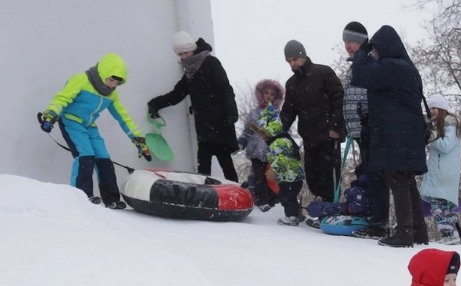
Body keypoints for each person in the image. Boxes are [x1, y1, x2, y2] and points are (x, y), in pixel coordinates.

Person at [350, 25, 430, 247]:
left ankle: (404, 233)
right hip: (407, 134)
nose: (374, 54)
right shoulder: (408, 67)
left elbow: (360, 75)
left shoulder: (393, 66)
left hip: (397, 135)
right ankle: (418, 231)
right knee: (406, 181)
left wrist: (361, 53)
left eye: (376, 50)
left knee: (397, 178)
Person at [39, 53, 150, 208]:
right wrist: (51, 114)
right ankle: (81, 195)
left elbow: (123, 117)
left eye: (117, 83)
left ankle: (112, 199)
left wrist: (138, 139)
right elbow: (62, 99)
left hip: (89, 126)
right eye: (111, 80)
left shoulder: (111, 95)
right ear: (102, 73)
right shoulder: (80, 80)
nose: (112, 85)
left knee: (104, 159)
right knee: (85, 156)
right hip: (71, 122)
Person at [148, 32, 239, 182]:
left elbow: (225, 88)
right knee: (203, 165)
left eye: (187, 52)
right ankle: (204, 195)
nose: (185, 56)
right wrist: (155, 104)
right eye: (181, 54)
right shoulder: (190, 73)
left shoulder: (211, 62)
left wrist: (231, 113)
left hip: (221, 122)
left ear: (193, 49)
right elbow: (177, 94)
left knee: (226, 163)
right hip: (204, 126)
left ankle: (237, 193)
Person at [342, 21, 391, 239]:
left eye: (351, 41)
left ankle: (380, 223)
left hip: (371, 128)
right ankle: (372, 217)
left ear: (362, 42)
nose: (347, 46)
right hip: (360, 131)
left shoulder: (371, 63)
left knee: (377, 175)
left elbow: (370, 97)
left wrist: (365, 122)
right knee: (368, 173)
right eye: (345, 42)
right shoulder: (354, 67)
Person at [280, 39, 345, 203]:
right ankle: (320, 206)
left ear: (303, 56)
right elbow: (288, 111)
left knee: (329, 173)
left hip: (329, 135)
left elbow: (339, 99)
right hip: (309, 137)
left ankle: (331, 206)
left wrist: (336, 125)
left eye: (294, 59)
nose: (292, 64)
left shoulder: (323, 73)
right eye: (289, 61)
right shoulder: (292, 84)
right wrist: (276, 132)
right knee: (312, 174)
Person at [420, 93, 461, 245]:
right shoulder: (442, 127)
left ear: (442, 109)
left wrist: (431, 135)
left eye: (434, 108)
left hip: (444, 174)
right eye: (429, 108)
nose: (431, 111)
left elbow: (446, 146)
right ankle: (451, 233)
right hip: (440, 173)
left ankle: (449, 234)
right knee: (439, 205)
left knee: (440, 206)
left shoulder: (451, 125)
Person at [253, 105, 304, 225]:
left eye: (263, 132)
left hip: (290, 176)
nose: (262, 136)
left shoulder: (279, 141)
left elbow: (282, 158)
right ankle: (296, 215)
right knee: (288, 195)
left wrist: (274, 170)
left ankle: (291, 217)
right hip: (290, 176)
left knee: (287, 197)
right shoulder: (279, 139)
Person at [238, 79, 284, 210]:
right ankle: (261, 201)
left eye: (272, 94)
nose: (268, 96)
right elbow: (247, 130)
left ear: (276, 97)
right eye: (266, 93)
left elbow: (283, 131)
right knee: (259, 177)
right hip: (256, 151)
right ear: (261, 94)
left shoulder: (278, 114)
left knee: (271, 177)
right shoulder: (254, 112)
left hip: (272, 152)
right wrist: (242, 142)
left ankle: (273, 200)